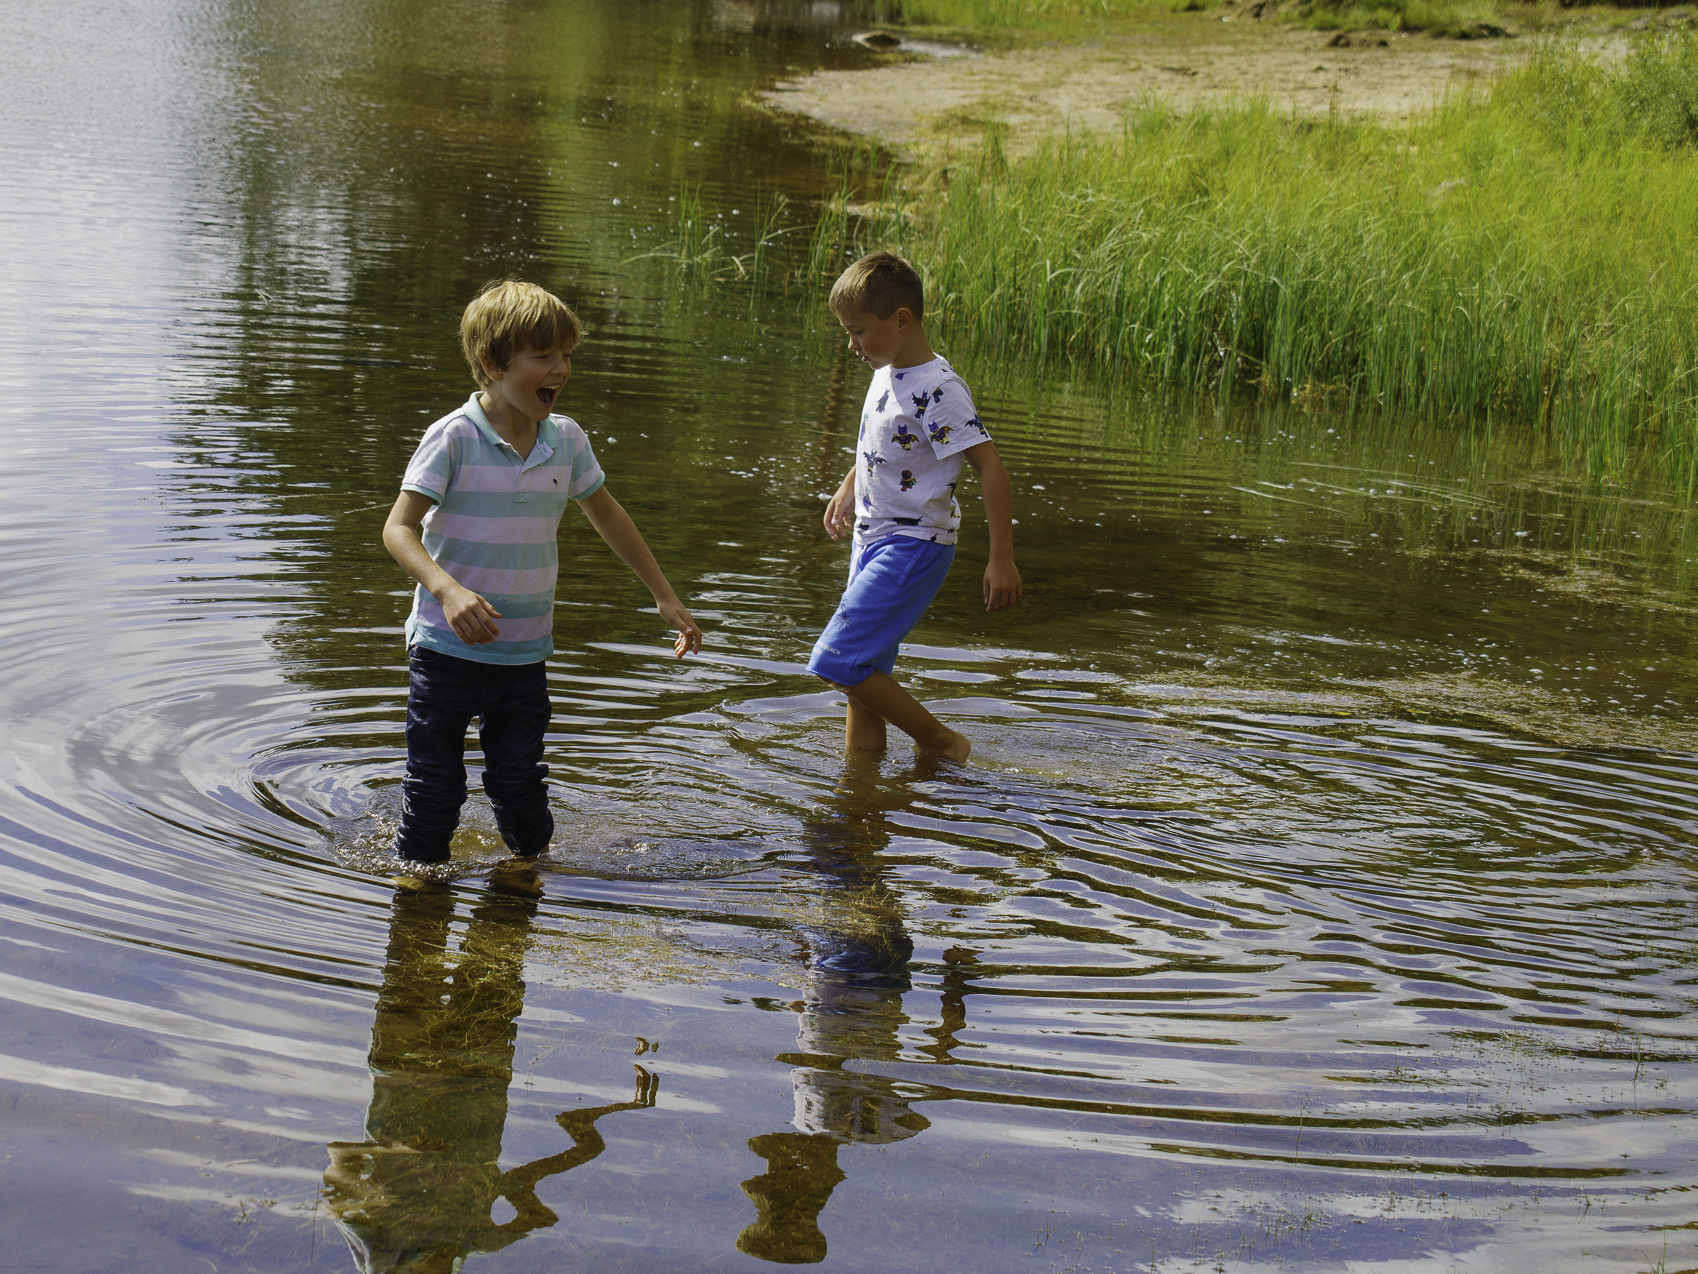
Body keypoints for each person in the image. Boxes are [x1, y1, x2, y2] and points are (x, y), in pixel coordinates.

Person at [382, 280, 701, 867]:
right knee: (434, 789)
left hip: (524, 655)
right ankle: (417, 896)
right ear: (493, 364)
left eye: (567, 356)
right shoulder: (454, 437)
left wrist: (663, 594)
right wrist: (447, 590)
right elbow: (397, 529)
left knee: (521, 789)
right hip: (445, 647)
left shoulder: (567, 440)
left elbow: (607, 514)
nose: (561, 369)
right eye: (545, 356)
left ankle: (530, 880)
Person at [809, 251, 1021, 763]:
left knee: (836, 659)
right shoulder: (886, 369)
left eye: (858, 331)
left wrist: (1001, 558)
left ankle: (944, 743)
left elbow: (989, 466)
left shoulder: (938, 389)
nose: (852, 344)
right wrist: (849, 483)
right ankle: (860, 801)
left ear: (901, 320)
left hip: (914, 543)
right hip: (872, 538)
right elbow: (888, 445)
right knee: (862, 684)